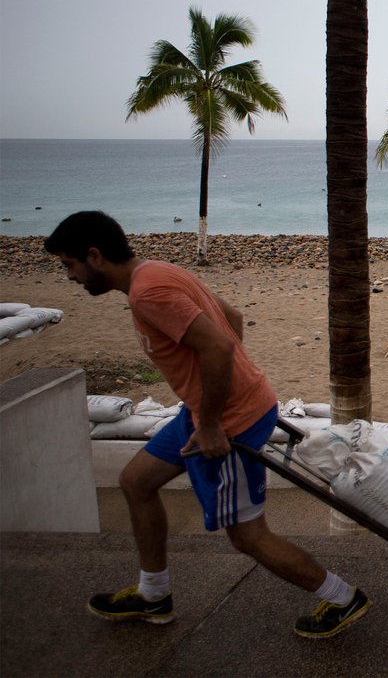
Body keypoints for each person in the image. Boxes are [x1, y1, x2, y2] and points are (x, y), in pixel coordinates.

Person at [44, 211, 369, 639]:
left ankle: (343, 598)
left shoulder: (148, 293)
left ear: (95, 256)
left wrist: (217, 420)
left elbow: (218, 344)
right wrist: (214, 398)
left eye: (69, 265)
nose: (70, 276)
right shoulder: (156, 271)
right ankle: (153, 593)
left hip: (228, 422)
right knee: (136, 482)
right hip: (202, 412)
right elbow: (230, 318)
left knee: (247, 535)